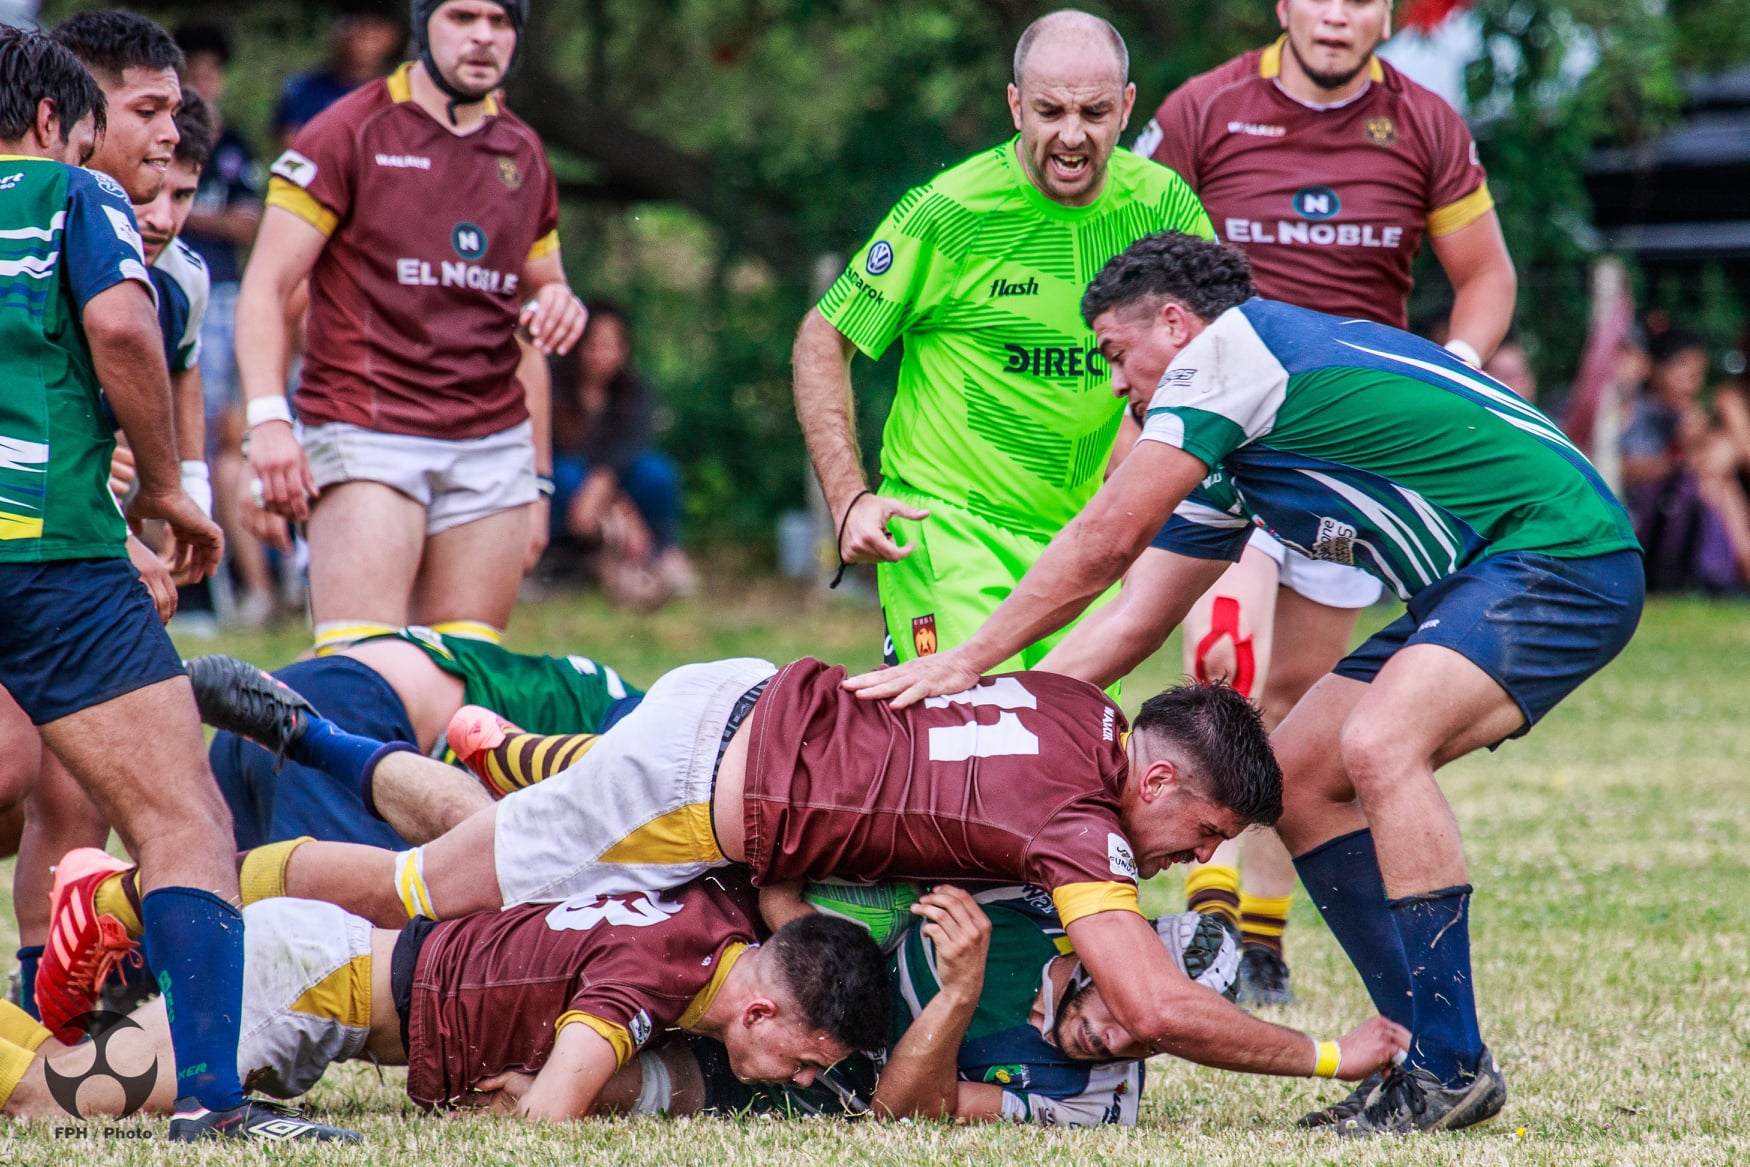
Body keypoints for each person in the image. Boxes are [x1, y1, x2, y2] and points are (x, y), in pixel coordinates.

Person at [848, 233, 1644, 1134]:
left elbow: (1103, 542)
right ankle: (1430, 1053)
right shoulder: (1232, 447)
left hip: (1565, 554)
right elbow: (1130, 619)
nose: (1114, 384)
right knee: (1296, 780)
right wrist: (993, 723)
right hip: (1483, 579)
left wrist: (967, 659)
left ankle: (1449, 1068)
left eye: (1115, 353)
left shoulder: (1229, 357)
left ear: (1177, 325)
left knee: (1379, 741)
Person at [118, 659, 1410, 1100]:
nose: (1196, 856)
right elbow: (1160, 1001)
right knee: (423, 891)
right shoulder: (1089, 822)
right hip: (703, 782)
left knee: (481, 846)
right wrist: (1323, 1057)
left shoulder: (1076, 710)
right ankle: (148, 890)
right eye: (1209, 829)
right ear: (1170, 781)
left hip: (739, 729)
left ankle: (336, 749)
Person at [0, 24, 349, 1141]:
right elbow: (117, 323)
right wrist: (168, 488)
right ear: (60, 119)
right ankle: (212, 1100)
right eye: (128, 117)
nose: (149, 142)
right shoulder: (73, 193)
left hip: (59, 543)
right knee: (182, 817)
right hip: (46, 555)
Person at [1130, 0, 1519, 1003]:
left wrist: (1454, 372)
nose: (1338, 13)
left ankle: (1258, 939)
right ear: (1283, 5)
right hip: (1224, 435)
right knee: (1224, 664)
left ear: (1387, 13)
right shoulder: (1203, 111)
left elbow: (1483, 278)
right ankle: (1207, 912)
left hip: (1345, 456)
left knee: (1297, 697)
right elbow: (1141, 273)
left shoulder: (1427, 124)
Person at [792, 9, 1212, 675]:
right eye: (1050, 112)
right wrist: (848, 499)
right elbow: (824, 335)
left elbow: (1216, 354)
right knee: (974, 741)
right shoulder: (949, 212)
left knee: (1063, 761)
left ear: (1127, 106)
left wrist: (1146, 454)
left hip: (1080, 544)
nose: (1071, 136)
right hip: (947, 533)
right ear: (1015, 106)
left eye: (1095, 113)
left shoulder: (1165, 208)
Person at [238, 0, 584, 657]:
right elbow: (266, 289)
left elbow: (544, 295)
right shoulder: (348, 131)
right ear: (423, 24)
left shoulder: (524, 152)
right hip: (367, 429)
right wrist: (268, 422)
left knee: (464, 680)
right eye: (462, 16)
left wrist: (562, 301)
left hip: (491, 445)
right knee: (364, 672)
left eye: (501, 21)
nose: (483, 36)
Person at [5, 876, 887, 1122]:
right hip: (305, 982)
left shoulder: (718, 913)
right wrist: (540, 1096)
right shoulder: (656, 981)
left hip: (331, 973)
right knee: (45, 1102)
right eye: (807, 1062)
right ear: (765, 1011)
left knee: (58, 1081)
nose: (803, 1082)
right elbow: (541, 1122)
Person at [679, 887, 1241, 1126]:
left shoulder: (1100, 1103)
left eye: (1157, 1041)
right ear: (1116, 958)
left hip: (798, 1088)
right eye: (1134, 1010)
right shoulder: (1026, 902)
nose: (1121, 1043)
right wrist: (785, 901)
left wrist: (959, 993)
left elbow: (903, 1114)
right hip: (764, 963)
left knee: (628, 1086)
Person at [195, 629, 644, 850]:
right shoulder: (663, 736)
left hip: (275, 701)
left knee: (215, 947)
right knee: (343, 958)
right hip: (346, 711)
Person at [175, 22, 277, 626]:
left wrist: (198, 217)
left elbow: (252, 224)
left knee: (222, 442)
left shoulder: (235, 142)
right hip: (165, 293)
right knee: (182, 442)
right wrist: (217, 215)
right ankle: (195, 588)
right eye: (196, 68)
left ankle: (241, 588)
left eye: (214, 70)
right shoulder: (151, 135)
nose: (204, 80)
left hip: (226, 298)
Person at [548, 303, 695, 605]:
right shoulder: (553, 388)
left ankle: (660, 555)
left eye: (613, 345)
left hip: (616, 487)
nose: (604, 355)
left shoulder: (636, 392)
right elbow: (555, 449)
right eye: (595, 345)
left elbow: (629, 449)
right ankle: (566, 561)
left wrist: (615, 503)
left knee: (656, 471)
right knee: (564, 474)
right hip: (576, 493)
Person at [1619, 330, 1750, 592]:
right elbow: (1621, 468)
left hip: (1676, 510)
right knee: (1710, 479)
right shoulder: (1637, 412)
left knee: (1713, 476)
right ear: (1656, 369)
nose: (1691, 381)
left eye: (1697, 373)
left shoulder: (1689, 416)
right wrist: (1680, 458)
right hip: (1641, 513)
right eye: (1682, 369)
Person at [271, 0, 406, 147]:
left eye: (376, 25)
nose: (367, 34)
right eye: (357, 23)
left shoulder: (404, 92)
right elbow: (293, 152)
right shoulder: (303, 90)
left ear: (394, 35)